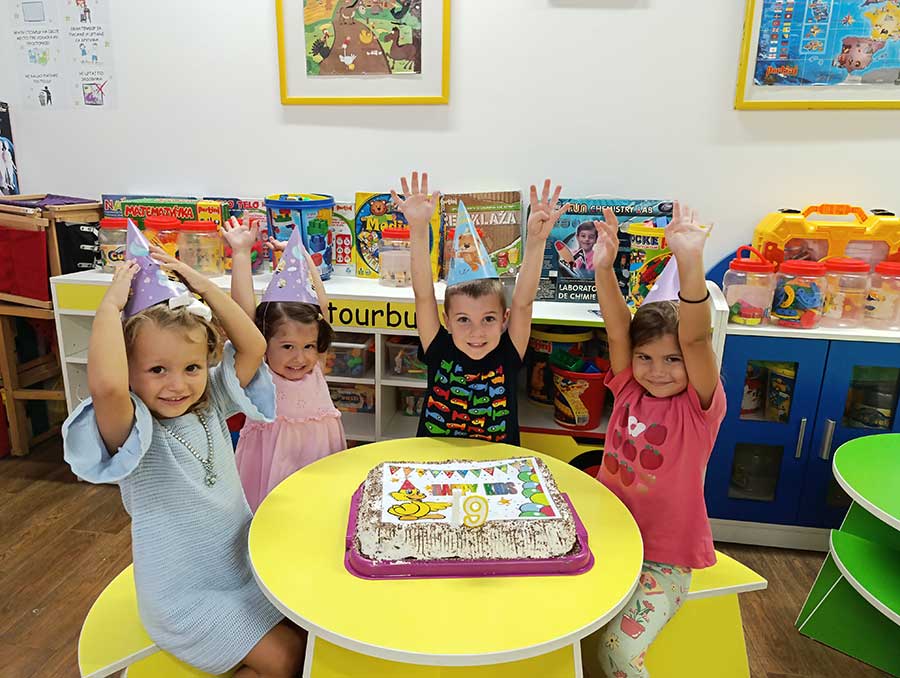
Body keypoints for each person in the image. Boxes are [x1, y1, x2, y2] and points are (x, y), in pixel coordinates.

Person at [62, 222, 305, 677]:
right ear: (130, 370)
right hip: (184, 598)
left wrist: (202, 285)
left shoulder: (211, 398)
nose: (178, 384)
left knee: (308, 637)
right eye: (157, 370)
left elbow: (253, 345)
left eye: (191, 367)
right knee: (288, 658)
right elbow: (107, 386)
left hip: (241, 569)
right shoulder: (132, 428)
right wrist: (110, 307)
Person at [589, 202, 725, 678]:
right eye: (645, 357)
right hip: (605, 538)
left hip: (661, 561)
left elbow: (696, 340)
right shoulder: (628, 388)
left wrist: (690, 262)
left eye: (672, 360)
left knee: (617, 654)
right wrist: (604, 268)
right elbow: (616, 330)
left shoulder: (699, 408)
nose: (657, 371)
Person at [392, 171, 568, 445]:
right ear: (447, 321)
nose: (476, 332)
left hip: (497, 465)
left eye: (488, 319)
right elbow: (423, 295)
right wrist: (418, 229)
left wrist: (536, 242)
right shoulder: (439, 349)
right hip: (435, 460)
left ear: (504, 319)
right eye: (463, 319)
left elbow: (523, 302)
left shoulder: (508, 353)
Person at [228, 217, 347, 512]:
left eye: (308, 346)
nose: (300, 358)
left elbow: (322, 305)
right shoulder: (260, 369)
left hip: (318, 458)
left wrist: (302, 255)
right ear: (264, 341)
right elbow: (242, 316)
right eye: (287, 347)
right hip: (270, 463)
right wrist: (241, 254)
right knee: (273, 516)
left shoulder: (315, 366)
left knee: (318, 513)